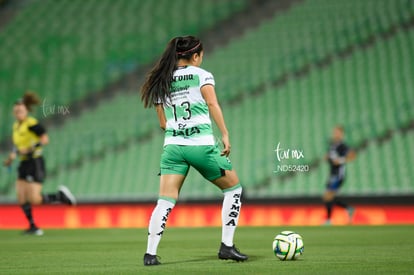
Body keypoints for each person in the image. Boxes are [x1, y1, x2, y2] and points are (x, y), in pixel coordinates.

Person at [140, 36, 248, 265]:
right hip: (201, 146)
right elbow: (212, 104)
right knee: (234, 190)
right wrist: (225, 134)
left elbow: (163, 124)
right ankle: (227, 246)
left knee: (165, 201)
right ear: (196, 56)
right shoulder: (202, 75)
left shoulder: (162, 80)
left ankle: (150, 254)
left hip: (173, 148)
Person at [3, 92, 76, 235]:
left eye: (21, 110)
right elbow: (17, 146)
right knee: (21, 196)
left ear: (26, 111)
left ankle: (60, 197)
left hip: (34, 162)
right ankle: (33, 226)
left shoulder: (31, 124)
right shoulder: (16, 126)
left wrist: (29, 149)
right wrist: (12, 156)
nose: (18, 113)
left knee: (34, 199)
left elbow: (44, 139)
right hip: (23, 164)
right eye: (16, 110)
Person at [322, 125, 356, 225]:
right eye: (335, 132)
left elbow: (352, 155)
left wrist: (340, 160)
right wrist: (327, 157)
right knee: (327, 197)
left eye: (337, 132)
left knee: (328, 195)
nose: (335, 134)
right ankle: (348, 208)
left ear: (342, 134)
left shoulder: (343, 146)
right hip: (332, 173)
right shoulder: (333, 145)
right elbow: (331, 157)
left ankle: (328, 220)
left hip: (338, 174)